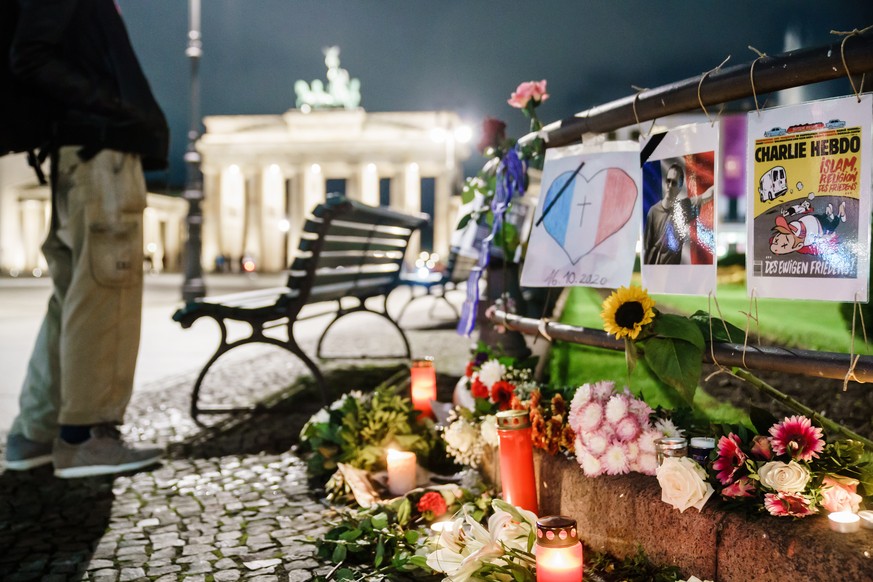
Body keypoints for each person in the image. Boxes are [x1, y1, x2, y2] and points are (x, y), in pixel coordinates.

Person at [4, 0, 169, 478]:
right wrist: (117, 109)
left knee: (74, 294)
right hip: (100, 150)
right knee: (106, 289)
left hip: (80, 149)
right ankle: (86, 437)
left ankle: (34, 432)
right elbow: (30, 56)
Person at [643, 163, 714, 265]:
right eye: (668, 181)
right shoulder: (653, 211)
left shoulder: (683, 208)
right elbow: (646, 248)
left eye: (674, 182)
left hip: (674, 273)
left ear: (680, 187)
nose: (670, 185)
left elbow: (708, 195)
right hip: (655, 273)